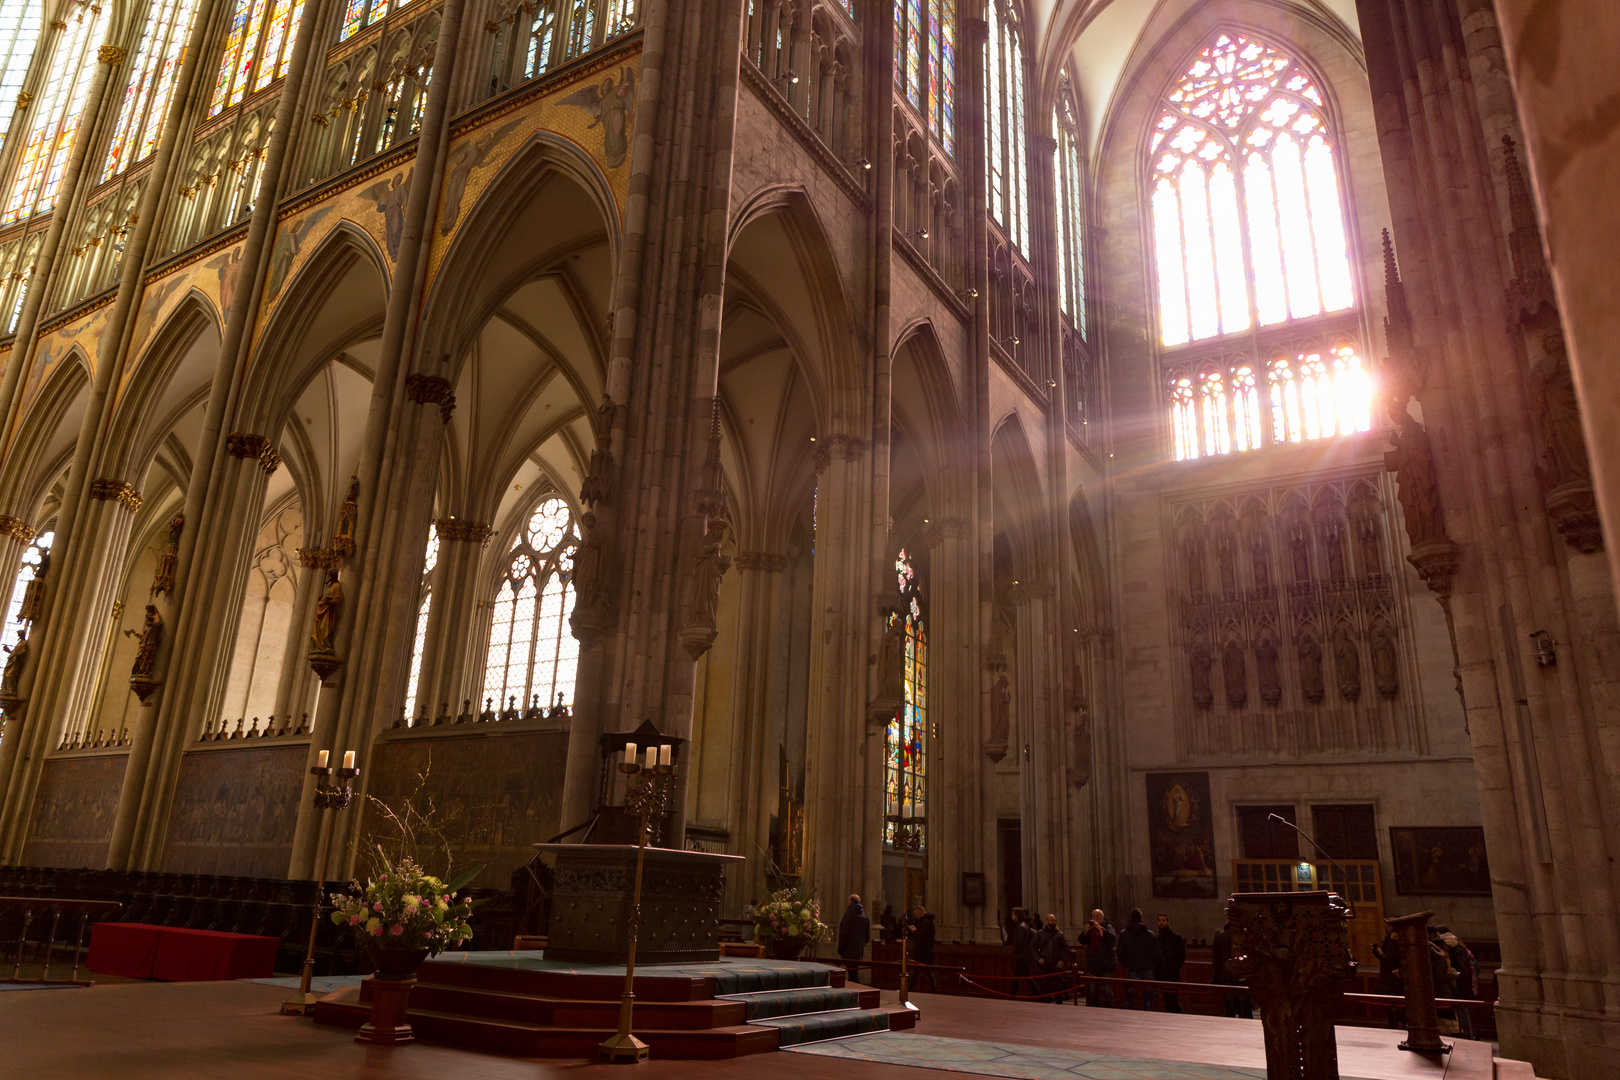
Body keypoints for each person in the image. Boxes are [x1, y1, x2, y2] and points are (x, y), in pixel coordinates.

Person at [1117, 908, 1161, 1010]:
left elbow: (1120, 952)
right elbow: (1157, 953)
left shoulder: (1124, 934)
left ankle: (1124, 1016)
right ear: (1141, 918)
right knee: (1148, 997)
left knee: (1129, 996)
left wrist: (1127, 964)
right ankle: (1148, 1016)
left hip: (1133, 967)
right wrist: (1151, 964)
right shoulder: (1150, 934)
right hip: (1147, 967)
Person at [1438, 927, 1477, 1039]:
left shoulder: (1449, 948)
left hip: (1457, 985)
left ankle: (1466, 1035)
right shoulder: (1459, 946)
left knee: (1460, 1012)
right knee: (1463, 1011)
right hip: (1466, 984)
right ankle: (1468, 1034)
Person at [1211, 916, 1252, 1019]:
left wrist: (1216, 977)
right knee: (1245, 1008)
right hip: (1242, 975)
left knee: (1229, 1009)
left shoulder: (1220, 937)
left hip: (1226, 975)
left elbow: (1216, 959)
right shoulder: (1246, 936)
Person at [1082, 908, 1117, 1008]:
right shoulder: (1090, 929)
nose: (1095, 919)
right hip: (1093, 964)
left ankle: (1110, 1011)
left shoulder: (1108, 927)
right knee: (1094, 991)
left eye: (1097, 916)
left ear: (1102, 917)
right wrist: (1085, 931)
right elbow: (1082, 941)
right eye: (1093, 916)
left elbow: (1112, 939)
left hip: (1106, 964)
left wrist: (1101, 929)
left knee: (1107, 991)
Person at [1033, 913, 1069, 1004]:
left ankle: (1059, 1005)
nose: (1053, 922)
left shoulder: (1059, 935)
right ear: (1047, 921)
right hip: (1044, 963)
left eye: (1055, 920)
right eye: (1052, 920)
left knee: (1057, 987)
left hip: (1055, 964)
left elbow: (1066, 949)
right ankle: (1044, 1005)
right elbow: (1032, 946)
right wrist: (1038, 958)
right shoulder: (1040, 933)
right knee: (1044, 986)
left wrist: (1062, 961)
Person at [1371, 930, 1404, 1028]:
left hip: (1391, 980)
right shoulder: (1398, 940)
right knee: (1394, 1008)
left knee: (1393, 1008)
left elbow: (1388, 959)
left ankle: (1395, 1027)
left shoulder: (1392, 942)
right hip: (1394, 980)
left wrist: (1377, 952)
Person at [1154, 913, 1186, 1013]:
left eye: (1164, 920)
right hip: (1161, 973)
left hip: (1172, 974)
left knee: (1172, 999)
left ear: (1168, 922)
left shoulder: (1176, 938)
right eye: (1159, 920)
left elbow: (1181, 956)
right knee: (1166, 999)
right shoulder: (1156, 939)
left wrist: (1174, 967)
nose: (1161, 922)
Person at [906, 905, 937, 992]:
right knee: (918, 973)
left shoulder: (925, 922)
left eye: (916, 914)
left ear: (920, 913)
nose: (915, 916)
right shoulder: (926, 922)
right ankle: (910, 989)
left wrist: (914, 931)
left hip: (923, 952)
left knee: (927, 972)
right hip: (924, 952)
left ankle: (910, 989)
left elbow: (921, 936)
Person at [837, 894, 870, 976]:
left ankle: (856, 987)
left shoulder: (849, 915)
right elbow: (867, 935)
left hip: (848, 949)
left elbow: (843, 932)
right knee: (854, 971)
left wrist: (840, 948)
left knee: (852, 973)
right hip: (858, 949)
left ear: (851, 901)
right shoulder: (864, 916)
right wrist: (861, 945)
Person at [1008, 907, 1037, 997]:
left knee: (1027, 977)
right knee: (1017, 977)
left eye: (1013, 913)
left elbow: (1020, 942)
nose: (1011, 915)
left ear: (1016, 915)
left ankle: (1040, 996)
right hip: (1023, 955)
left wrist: (1015, 952)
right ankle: (1012, 995)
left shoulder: (1020, 927)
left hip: (1022, 956)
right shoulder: (1023, 926)